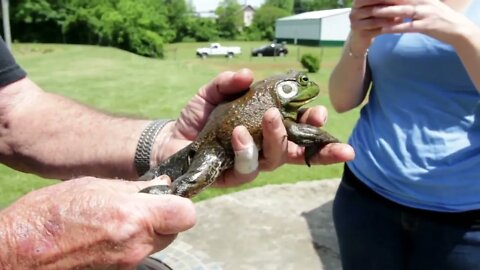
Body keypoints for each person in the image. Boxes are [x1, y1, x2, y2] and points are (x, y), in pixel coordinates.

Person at [0, 37, 354, 269]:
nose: (308, 87)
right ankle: (152, 197)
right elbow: (300, 131)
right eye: (302, 82)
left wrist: (165, 139)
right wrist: (16, 247)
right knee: (184, 188)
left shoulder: (273, 104)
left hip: (205, 141)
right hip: (213, 147)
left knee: (184, 178)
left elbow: (11, 114)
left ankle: (151, 190)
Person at [329, 0, 480, 269]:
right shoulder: (388, 3)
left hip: (463, 218)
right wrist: (359, 41)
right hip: (366, 195)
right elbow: (342, 101)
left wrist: (465, 35)